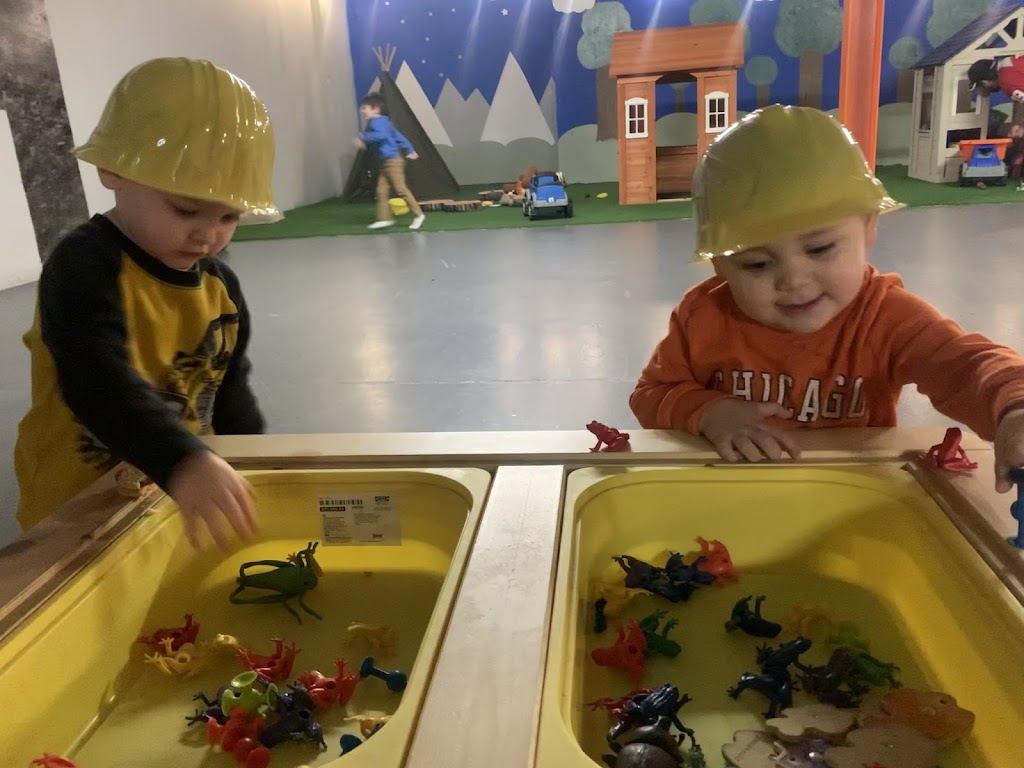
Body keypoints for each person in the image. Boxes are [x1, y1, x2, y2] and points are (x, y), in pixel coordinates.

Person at [630, 105, 1024, 492]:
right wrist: (709, 412)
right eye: (756, 264)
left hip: (852, 492)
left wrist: (1014, 408)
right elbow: (650, 394)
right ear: (719, 264)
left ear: (868, 225)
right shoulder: (703, 315)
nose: (794, 280)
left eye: (819, 249)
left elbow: (967, 365)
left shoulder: (886, 317)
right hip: (731, 490)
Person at [14, 57, 276, 548]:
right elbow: (96, 380)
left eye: (229, 217)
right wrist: (184, 460)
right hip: (77, 501)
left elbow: (229, 389)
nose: (208, 235)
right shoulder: (85, 265)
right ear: (113, 171)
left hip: (175, 489)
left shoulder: (221, 288)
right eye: (185, 209)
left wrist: (256, 462)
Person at [357, 93, 425, 231]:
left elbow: (382, 135)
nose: (362, 111)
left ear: (375, 109)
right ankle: (384, 219)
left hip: (392, 161)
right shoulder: (385, 122)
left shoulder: (377, 122)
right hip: (386, 162)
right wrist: (410, 149)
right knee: (382, 191)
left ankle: (419, 215)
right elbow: (398, 136)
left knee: (400, 189)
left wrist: (364, 138)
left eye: (365, 108)